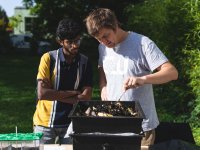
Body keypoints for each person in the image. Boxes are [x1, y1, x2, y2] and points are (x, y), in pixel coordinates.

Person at [85, 8, 178, 147]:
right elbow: (102, 68)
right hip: (113, 123)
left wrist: (143, 79)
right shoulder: (102, 48)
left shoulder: (142, 43)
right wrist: (103, 86)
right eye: (98, 39)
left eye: (106, 36)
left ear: (115, 25)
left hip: (140, 127)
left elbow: (172, 73)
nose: (104, 42)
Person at [33, 18, 93, 144]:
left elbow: (86, 98)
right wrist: (74, 93)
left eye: (77, 40)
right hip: (45, 122)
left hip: (72, 122)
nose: (75, 45)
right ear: (60, 41)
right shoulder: (48, 58)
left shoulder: (84, 62)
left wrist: (54, 94)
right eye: (70, 42)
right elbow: (42, 94)